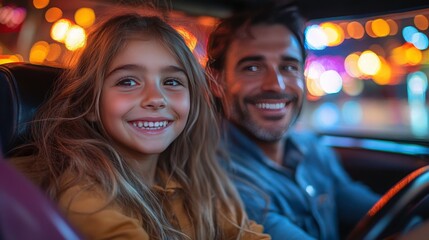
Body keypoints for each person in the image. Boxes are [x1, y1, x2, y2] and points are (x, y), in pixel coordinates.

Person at [10, 13, 270, 240]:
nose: (156, 98)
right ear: (89, 104)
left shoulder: (197, 184)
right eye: (128, 82)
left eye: (171, 82)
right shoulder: (85, 198)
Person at [206, 2, 380, 240]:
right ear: (218, 81)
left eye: (288, 67)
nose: (275, 85)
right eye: (253, 67)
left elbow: (379, 211)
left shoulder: (311, 148)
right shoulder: (217, 179)